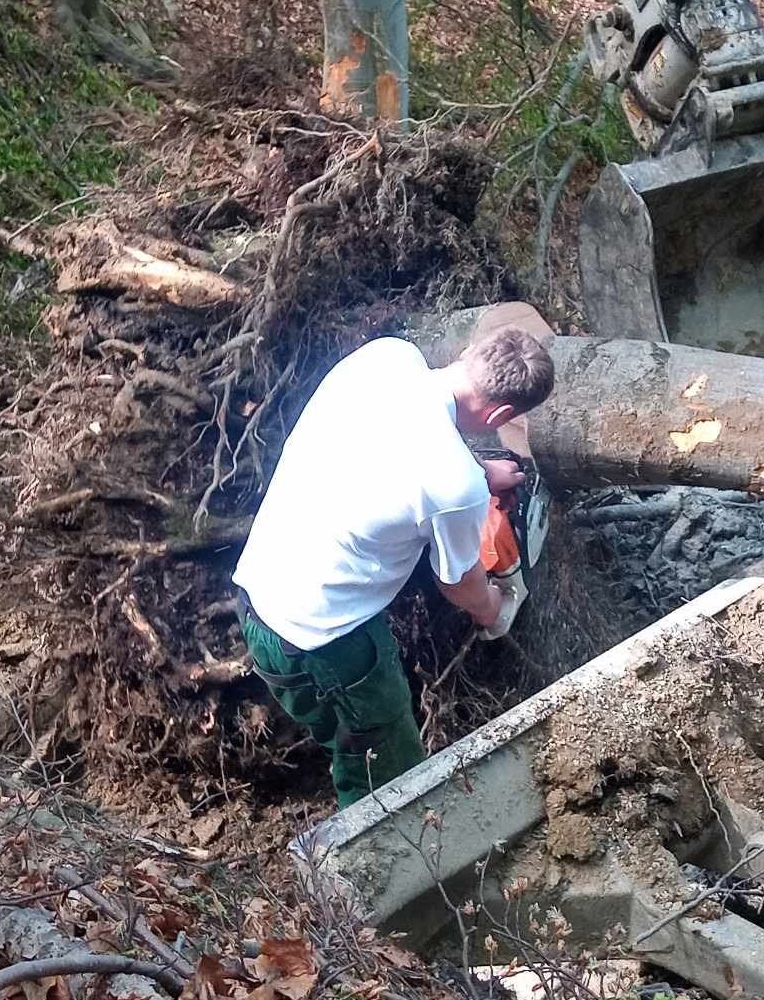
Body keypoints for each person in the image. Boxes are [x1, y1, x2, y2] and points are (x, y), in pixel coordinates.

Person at [233, 327, 555, 808]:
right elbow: (460, 585)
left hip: (258, 597)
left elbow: (388, 448)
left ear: (468, 353)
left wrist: (482, 474)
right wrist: (497, 607)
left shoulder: (386, 358)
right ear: (502, 416)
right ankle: (375, 871)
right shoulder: (454, 487)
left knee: (338, 734)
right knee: (387, 775)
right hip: (331, 642)